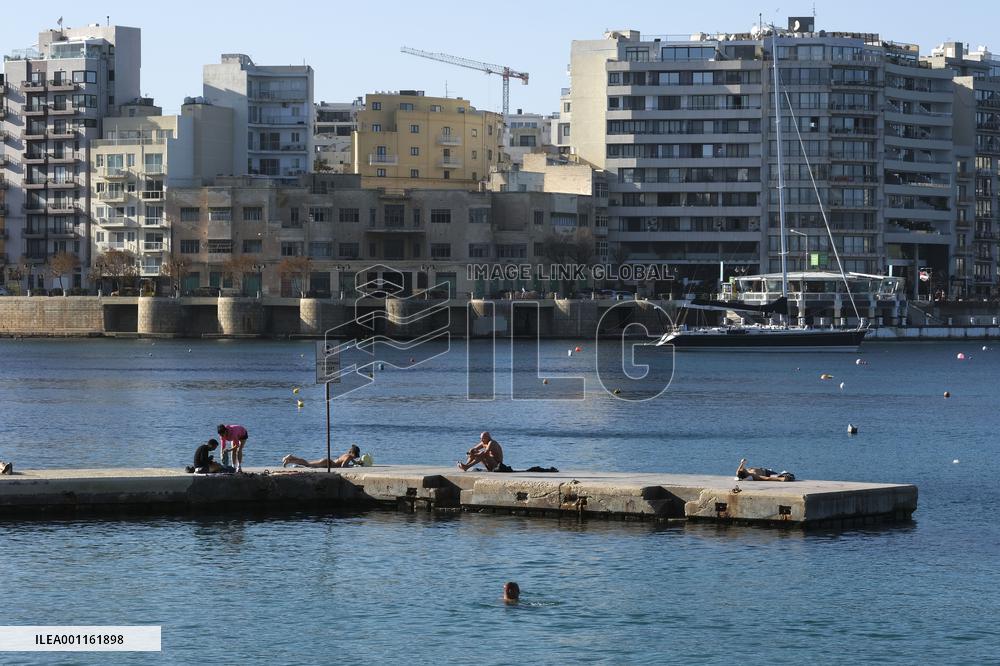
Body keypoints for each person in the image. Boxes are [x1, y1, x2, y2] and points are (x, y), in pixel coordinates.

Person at [282, 445, 361, 469]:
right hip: (328, 463)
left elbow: (354, 462)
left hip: (327, 461)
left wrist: (358, 463)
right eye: (356, 455)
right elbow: (343, 466)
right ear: (354, 454)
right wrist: (350, 466)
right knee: (307, 464)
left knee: (307, 463)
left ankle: (291, 458)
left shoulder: (346, 455)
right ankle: (290, 460)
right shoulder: (349, 457)